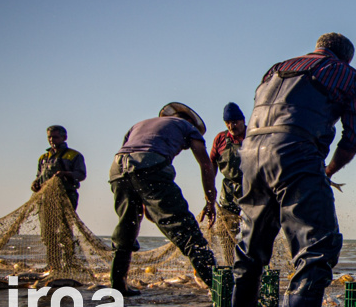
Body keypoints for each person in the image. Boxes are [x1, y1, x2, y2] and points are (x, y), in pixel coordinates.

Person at [230, 33, 356, 307]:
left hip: (250, 155)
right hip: (295, 151)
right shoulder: (346, 74)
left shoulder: (276, 69)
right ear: (345, 57)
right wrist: (330, 169)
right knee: (318, 245)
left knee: (252, 245)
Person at [108, 103, 217, 296]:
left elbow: (129, 154)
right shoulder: (188, 127)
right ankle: (219, 287)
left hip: (117, 170)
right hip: (150, 167)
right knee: (185, 228)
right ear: (190, 121)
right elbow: (206, 164)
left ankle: (118, 287)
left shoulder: (140, 124)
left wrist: (147, 204)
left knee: (127, 226)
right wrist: (210, 201)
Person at [209, 103, 247, 262]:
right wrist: (209, 193)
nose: (232, 126)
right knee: (225, 231)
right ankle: (230, 265)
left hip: (251, 188)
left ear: (243, 121)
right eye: (228, 123)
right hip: (229, 189)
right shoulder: (221, 139)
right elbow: (210, 164)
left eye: (235, 122)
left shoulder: (254, 136)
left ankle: (251, 265)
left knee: (253, 230)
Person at [31, 125, 87, 209]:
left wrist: (65, 174)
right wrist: (35, 183)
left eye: (55, 137)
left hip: (66, 196)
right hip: (45, 197)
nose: (51, 140)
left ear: (64, 137)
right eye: (49, 137)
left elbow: (81, 175)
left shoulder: (74, 155)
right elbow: (39, 176)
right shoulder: (43, 158)